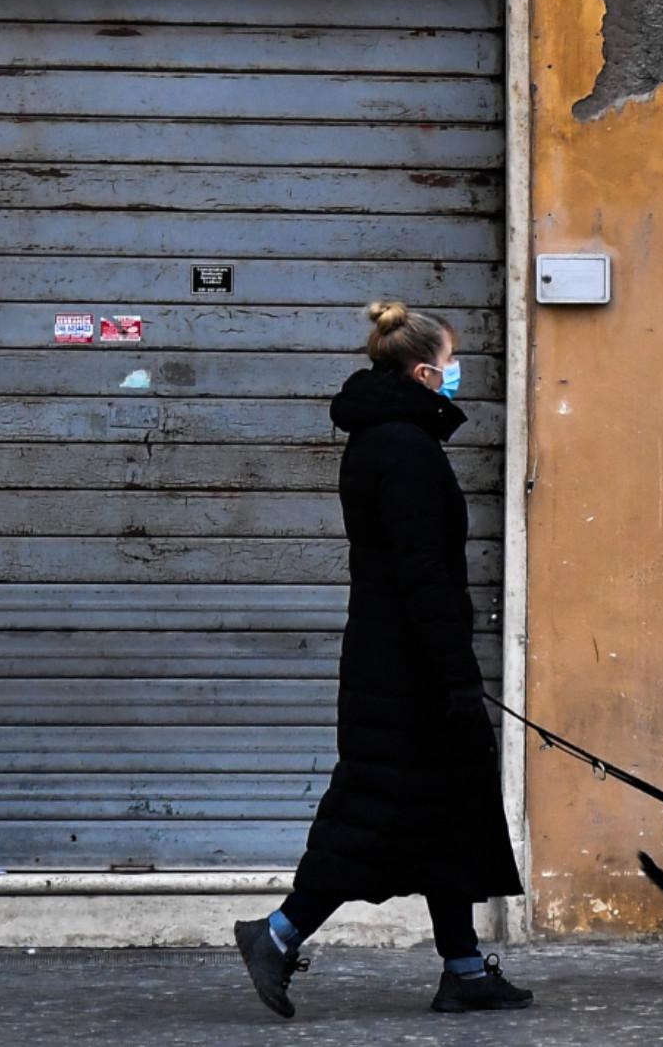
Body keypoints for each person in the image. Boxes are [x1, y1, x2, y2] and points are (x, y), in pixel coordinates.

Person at [235, 301, 532, 1018]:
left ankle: (463, 969)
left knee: (448, 810)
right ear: (425, 370)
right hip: (406, 672)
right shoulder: (402, 446)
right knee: (374, 814)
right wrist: (457, 675)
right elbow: (421, 573)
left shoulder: (388, 436)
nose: (458, 376)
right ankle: (277, 932)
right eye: (453, 363)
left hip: (401, 661)